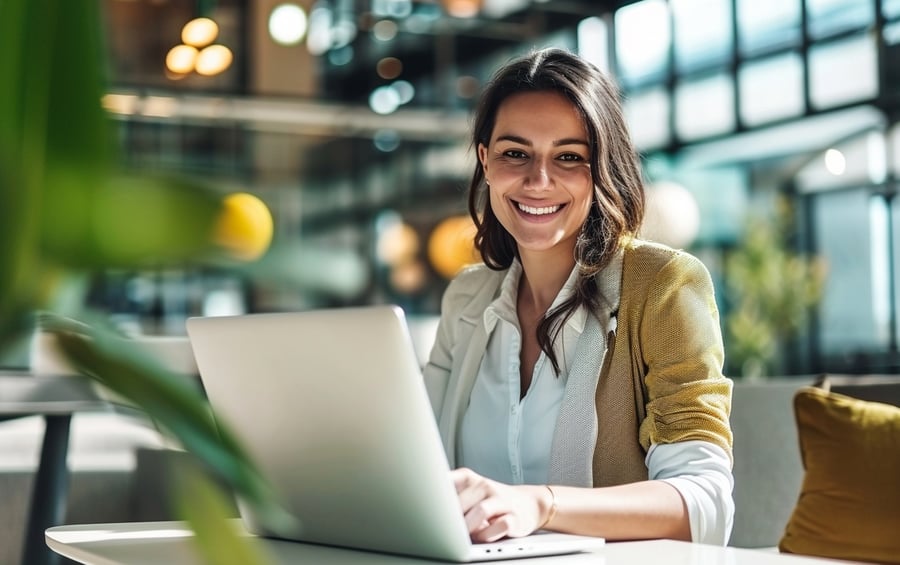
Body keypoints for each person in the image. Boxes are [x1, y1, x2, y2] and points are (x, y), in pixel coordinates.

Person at [422, 48, 734, 547]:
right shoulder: (466, 298)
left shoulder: (663, 286)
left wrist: (541, 504)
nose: (538, 181)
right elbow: (420, 466)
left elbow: (705, 504)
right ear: (485, 160)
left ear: (601, 166)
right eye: (515, 153)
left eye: (569, 156)